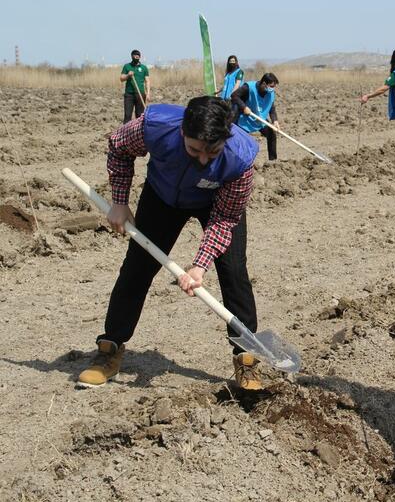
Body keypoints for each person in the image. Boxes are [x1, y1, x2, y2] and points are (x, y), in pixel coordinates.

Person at [77, 96, 265, 391]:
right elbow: (118, 146)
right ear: (181, 133)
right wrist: (119, 201)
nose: (202, 159)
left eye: (212, 152)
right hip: (163, 196)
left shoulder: (239, 160)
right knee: (137, 268)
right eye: (194, 149)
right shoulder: (154, 127)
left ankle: (246, 355)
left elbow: (224, 220)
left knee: (233, 272)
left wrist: (200, 265)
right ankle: (110, 347)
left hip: (216, 203)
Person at [231, 73, 281, 161]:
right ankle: (240, 162)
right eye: (271, 86)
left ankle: (273, 161)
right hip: (245, 118)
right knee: (240, 140)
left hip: (259, 118)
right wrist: (244, 107)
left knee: (271, 134)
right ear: (264, 84)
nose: (273, 89)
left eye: (274, 87)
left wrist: (275, 120)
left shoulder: (270, 93)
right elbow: (234, 96)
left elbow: (271, 108)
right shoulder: (249, 87)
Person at [120, 49, 151, 123]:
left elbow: (147, 81)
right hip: (129, 94)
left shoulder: (144, 68)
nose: (136, 57)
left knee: (140, 116)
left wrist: (148, 93)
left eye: (138, 56)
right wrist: (128, 75)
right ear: (132, 56)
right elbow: (121, 78)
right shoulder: (127, 66)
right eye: (135, 56)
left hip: (140, 93)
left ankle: (139, 132)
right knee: (127, 115)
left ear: (140, 57)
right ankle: (126, 132)